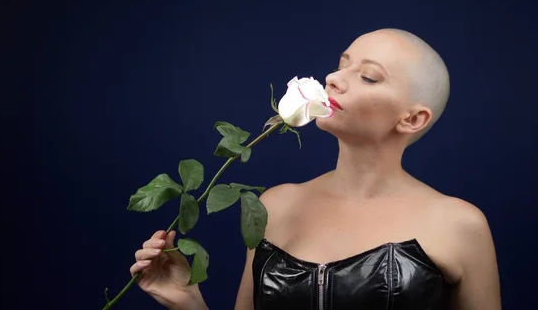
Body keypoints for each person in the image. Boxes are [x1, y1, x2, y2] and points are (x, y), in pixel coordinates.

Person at [130, 28, 501, 310]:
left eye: (368, 76)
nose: (334, 79)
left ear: (413, 118)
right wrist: (189, 301)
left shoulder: (459, 225)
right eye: (342, 66)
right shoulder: (276, 206)